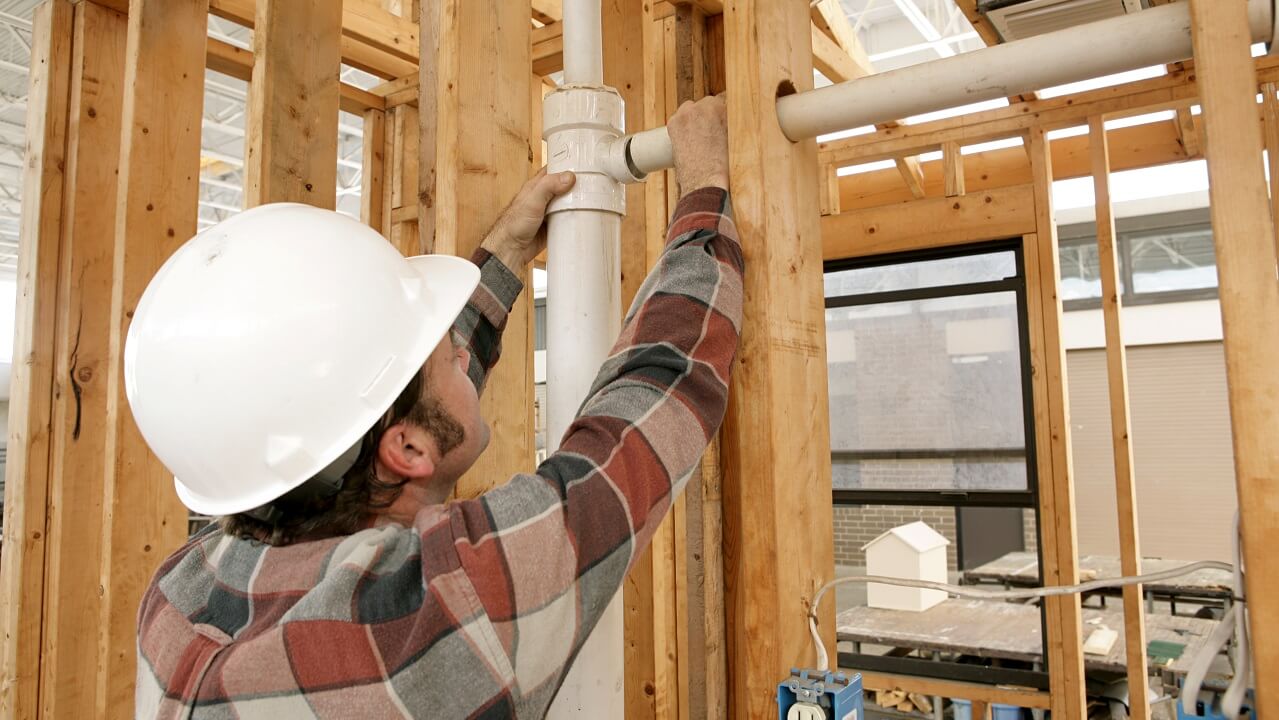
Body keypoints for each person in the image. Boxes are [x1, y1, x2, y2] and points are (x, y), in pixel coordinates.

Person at [131, 95, 739, 719]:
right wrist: (705, 192)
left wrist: (505, 250)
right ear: (408, 451)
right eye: (441, 349)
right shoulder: (431, 610)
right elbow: (658, 392)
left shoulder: (179, 593)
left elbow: (392, 416)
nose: (456, 343)